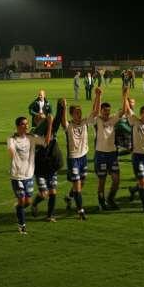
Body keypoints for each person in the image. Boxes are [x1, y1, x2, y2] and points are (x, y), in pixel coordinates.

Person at [61, 88, 101, 220]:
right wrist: (64, 107)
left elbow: (95, 112)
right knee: (77, 185)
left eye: (80, 112)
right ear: (72, 114)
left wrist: (98, 95)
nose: (79, 114)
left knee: (81, 183)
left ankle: (69, 198)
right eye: (77, 113)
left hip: (83, 157)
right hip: (73, 159)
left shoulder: (84, 122)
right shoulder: (69, 126)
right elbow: (63, 121)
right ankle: (80, 210)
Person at [8, 116, 52, 234]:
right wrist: (14, 157)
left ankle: (17, 208)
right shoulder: (12, 139)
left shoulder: (31, 138)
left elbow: (46, 142)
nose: (26, 126)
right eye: (23, 124)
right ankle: (22, 225)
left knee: (27, 202)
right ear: (18, 126)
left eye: (27, 124)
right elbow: (11, 150)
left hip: (28, 175)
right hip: (17, 176)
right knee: (22, 200)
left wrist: (50, 125)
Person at [30, 100, 64, 222]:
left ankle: (50, 215)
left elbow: (58, 120)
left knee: (53, 192)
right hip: (39, 168)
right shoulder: (34, 133)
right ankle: (34, 204)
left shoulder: (50, 127)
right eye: (39, 117)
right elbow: (46, 142)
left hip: (50, 165)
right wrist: (49, 124)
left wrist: (61, 106)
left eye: (43, 116)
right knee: (44, 193)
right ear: (36, 121)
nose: (42, 117)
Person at [92, 88, 126, 210]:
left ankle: (110, 198)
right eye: (105, 111)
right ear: (101, 111)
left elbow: (123, 111)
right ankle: (101, 202)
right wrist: (98, 96)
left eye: (108, 111)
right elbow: (94, 112)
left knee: (116, 180)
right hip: (101, 154)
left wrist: (124, 95)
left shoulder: (112, 119)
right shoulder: (97, 120)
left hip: (112, 154)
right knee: (102, 181)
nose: (107, 113)